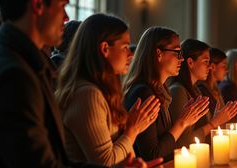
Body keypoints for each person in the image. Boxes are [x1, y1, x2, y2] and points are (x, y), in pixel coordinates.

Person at [0, 0, 161, 167]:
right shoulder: (16, 73)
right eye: (62, 6)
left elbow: (58, 160)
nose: (66, 16)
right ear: (38, 5)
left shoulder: (32, 65)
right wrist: (131, 131)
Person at [55, 13, 161, 167]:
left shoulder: (101, 90)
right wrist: (132, 129)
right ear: (105, 48)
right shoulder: (87, 94)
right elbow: (104, 163)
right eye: (125, 47)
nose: (131, 54)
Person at [123, 27, 209, 161]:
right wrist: (182, 123)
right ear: (159, 53)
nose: (181, 59)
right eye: (177, 52)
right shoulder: (144, 93)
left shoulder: (161, 91)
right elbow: (152, 154)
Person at [168, 41, 237, 146]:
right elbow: (182, 141)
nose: (209, 67)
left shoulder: (195, 90)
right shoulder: (178, 91)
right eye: (206, 62)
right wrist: (214, 123)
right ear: (190, 62)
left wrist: (217, 118)